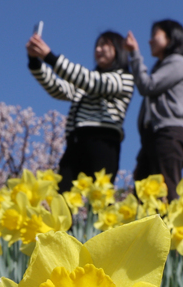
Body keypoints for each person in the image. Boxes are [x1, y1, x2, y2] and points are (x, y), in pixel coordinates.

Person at [26, 30, 134, 192]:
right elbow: (58, 88)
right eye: (96, 46)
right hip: (75, 143)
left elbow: (92, 82)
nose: (97, 50)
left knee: (99, 198)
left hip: (102, 142)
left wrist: (49, 57)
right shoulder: (86, 83)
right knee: (62, 196)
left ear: (118, 49)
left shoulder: (124, 78)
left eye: (104, 45)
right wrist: (34, 61)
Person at [125, 20, 183, 196]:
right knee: (143, 195)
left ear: (170, 38)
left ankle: (170, 224)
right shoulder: (162, 67)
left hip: (168, 134)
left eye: (155, 35)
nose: (149, 40)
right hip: (153, 136)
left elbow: (147, 85)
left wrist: (134, 53)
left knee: (167, 192)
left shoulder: (177, 62)